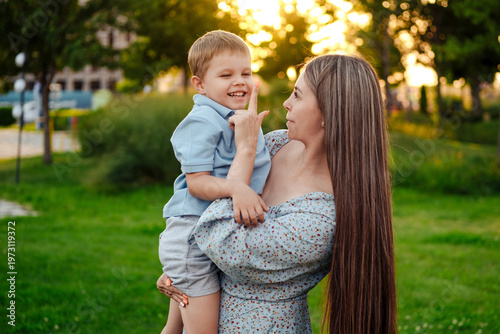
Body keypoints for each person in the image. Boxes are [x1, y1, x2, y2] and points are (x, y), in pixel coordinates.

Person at [158, 54, 397, 334]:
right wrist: (183, 268)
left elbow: (216, 236)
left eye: (297, 95)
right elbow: (202, 227)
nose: (286, 103)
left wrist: (245, 152)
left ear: (328, 113)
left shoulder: (320, 219)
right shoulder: (275, 144)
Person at [158, 30, 271, 334]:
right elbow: (196, 183)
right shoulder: (202, 120)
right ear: (200, 84)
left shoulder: (238, 118)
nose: (239, 80)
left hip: (206, 231)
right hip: (192, 235)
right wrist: (236, 188)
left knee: (174, 328)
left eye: (246, 72)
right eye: (226, 74)